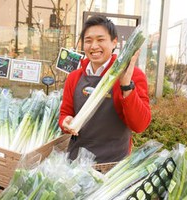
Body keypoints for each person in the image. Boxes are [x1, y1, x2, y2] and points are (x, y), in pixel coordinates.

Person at [58, 15, 151, 163]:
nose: (94, 46)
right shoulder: (74, 77)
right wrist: (65, 121)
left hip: (114, 164)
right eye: (88, 41)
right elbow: (65, 113)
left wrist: (126, 86)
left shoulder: (133, 75)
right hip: (76, 161)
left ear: (114, 42)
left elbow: (140, 125)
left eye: (100, 40)